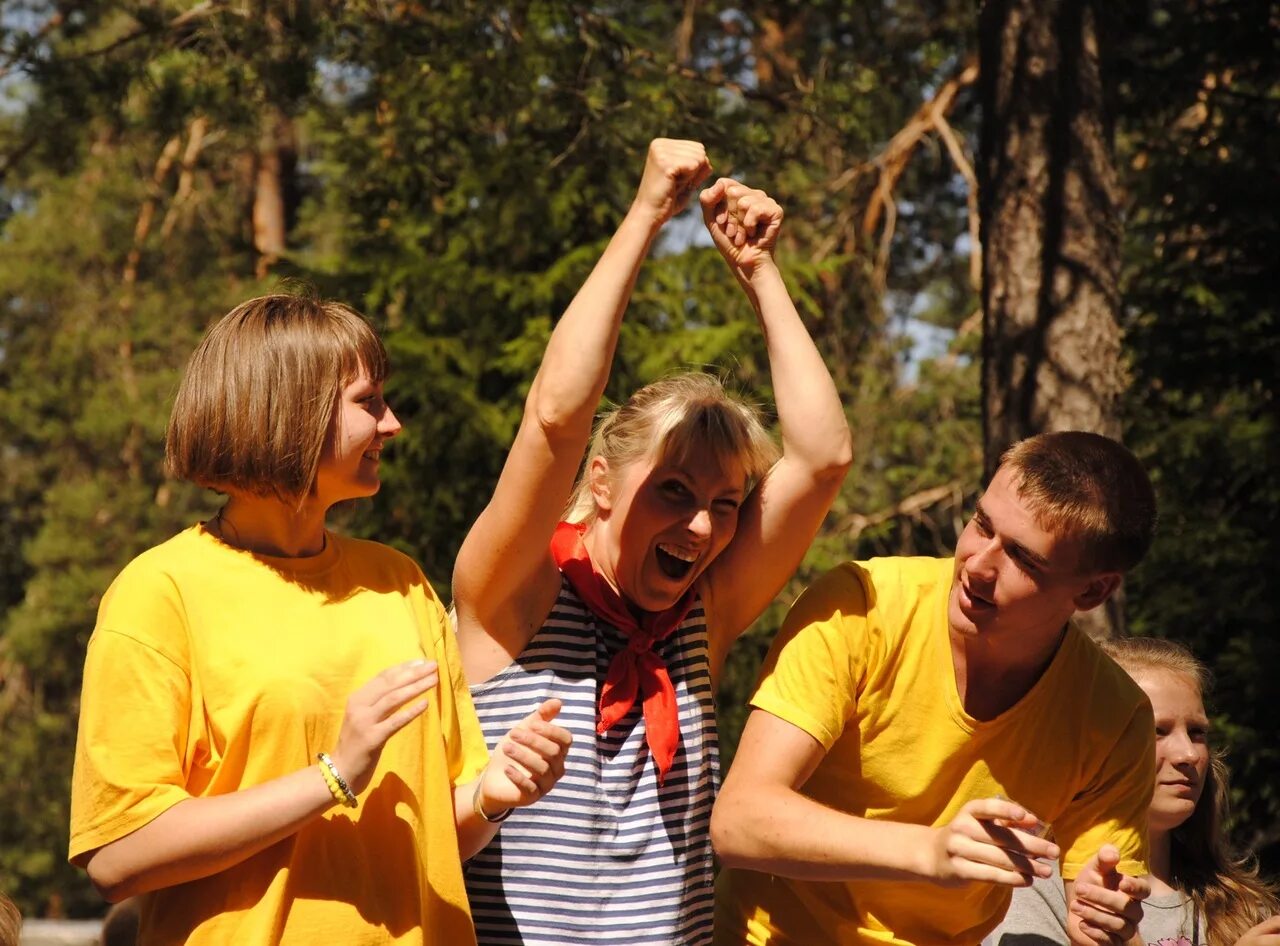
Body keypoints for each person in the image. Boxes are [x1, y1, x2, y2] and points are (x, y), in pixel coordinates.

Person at [68, 294, 572, 946]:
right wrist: (332, 776)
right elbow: (117, 852)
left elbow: (435, 830)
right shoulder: (160, 593)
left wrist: (492, 794)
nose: (392, 425)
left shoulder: (400, 583)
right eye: (368, 402)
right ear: (289, 411)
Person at [452, 138, 852, 945]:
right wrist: (646, 215)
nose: (701, 527)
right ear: (601, 484)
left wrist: (759, 271)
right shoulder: (514, 596)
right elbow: (559, 415)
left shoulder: (700, 620)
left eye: (725, 504)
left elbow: (824, 456)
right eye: (673, 490)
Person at [712, 431, 1161, 946]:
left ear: (1093, 591)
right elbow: (738, 821)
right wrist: (929, 851)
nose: (976, 563)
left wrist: (1101, 924)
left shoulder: (1115, 716)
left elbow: (1104, 907)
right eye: (981, 524)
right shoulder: (863, 603)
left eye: (1022, 558)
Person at [989, 637, 1280, 946]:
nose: (1188, 754)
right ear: (1088, 748)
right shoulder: (1030, 887)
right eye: (1155, 731)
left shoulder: (1245, 909)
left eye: (1197, 732)